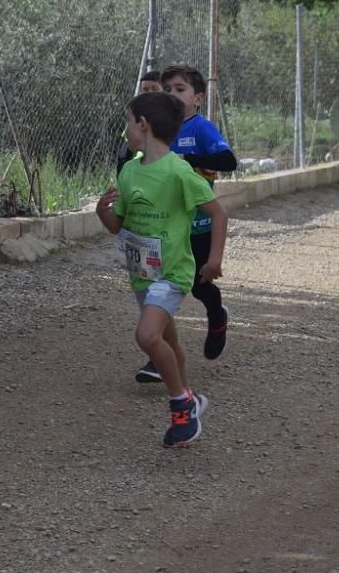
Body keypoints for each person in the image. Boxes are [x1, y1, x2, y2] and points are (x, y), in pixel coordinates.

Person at [95, 91, 227, 447]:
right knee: (168, 340)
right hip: (142, 273)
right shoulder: (129, 172)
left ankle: (181, 406)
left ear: (143, 124)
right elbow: (117, 225)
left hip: (171, 273)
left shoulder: (178, 171)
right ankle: (191, 398)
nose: (125, 130)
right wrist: (103, 212)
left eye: (128, 121)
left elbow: (217, 213)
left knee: (147, 336)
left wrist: (214, 259)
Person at [133, 64, 237, 384]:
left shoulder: (201, 129)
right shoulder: (160, 129)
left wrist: (187, 161)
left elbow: (228, 161)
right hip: (164, 229)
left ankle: (217, 316)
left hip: (200, 225)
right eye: (168, 90)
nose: (172, 95)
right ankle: (157, 356)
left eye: (180, 89)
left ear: (198, 99)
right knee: (158, 286)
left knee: (199, 286)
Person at [116, 71, 163, 174]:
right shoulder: (135, 119)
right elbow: (124, 153)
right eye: (145, 90)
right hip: (136, 173)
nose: (150, 93)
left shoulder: (171, 118)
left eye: (155, 89)